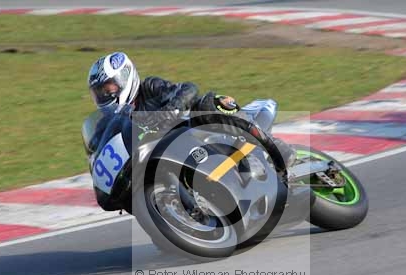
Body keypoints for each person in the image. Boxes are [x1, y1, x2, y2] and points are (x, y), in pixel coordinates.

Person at [85, 51, 296, 211]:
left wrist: (171, 108)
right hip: (162, 154)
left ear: (124, 78)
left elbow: (188, 88)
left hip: (192, 130)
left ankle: (273, 147)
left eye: (108, 88)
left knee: (208, 104)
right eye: (99, 92)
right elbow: (97, 146)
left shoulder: (149, 87)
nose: (104, 95)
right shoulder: (109, 121)